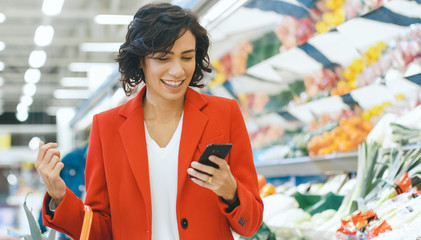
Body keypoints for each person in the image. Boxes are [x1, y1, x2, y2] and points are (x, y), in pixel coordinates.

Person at [35, 3, 263, 240]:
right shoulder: (107, 127)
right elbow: (100, 231)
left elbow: (251, 224)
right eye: (163, 58)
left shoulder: (224, 114)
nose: (177, 71)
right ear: (141, 60)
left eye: (187, 57)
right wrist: (60, 197)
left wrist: (231, 191)